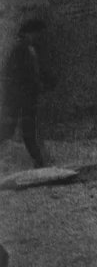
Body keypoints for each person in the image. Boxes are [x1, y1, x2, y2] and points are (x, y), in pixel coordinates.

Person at [1, 19, 54, 168]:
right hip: (21, 98)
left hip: (23, 98)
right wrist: (38, 86)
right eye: (37, 33)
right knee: (14, 131)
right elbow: (22, 76)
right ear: (29, 33)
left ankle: (40, 163)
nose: (39, 36)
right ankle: (40, 163)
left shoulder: (26, 49)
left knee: (21, 131)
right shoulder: (22, 49)